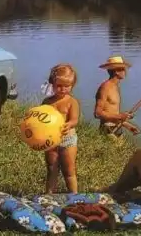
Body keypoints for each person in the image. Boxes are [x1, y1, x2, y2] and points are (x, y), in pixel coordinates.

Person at [41, 63, 81, 194]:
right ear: (52, 83)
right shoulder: (47, 102)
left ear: (72, 85)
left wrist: (68, 124)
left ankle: (74, 196)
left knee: (69, 171)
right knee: (52, 169)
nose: (63, 89)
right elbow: (41, 119)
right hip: (51, 141)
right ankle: (49, 195)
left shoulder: (72, 102)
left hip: (67, 140)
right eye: (59, 86)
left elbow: (74, 120)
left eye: (67, 86)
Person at [93, 56, 141, 137]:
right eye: (123, 69)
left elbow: (113, 113)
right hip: (107, 129)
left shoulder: (115, 87)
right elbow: (97, 113)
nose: (125, 71)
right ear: (116, 71)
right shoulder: (105, 88)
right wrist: (120, 116)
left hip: (117, 127)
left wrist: (128, 126)